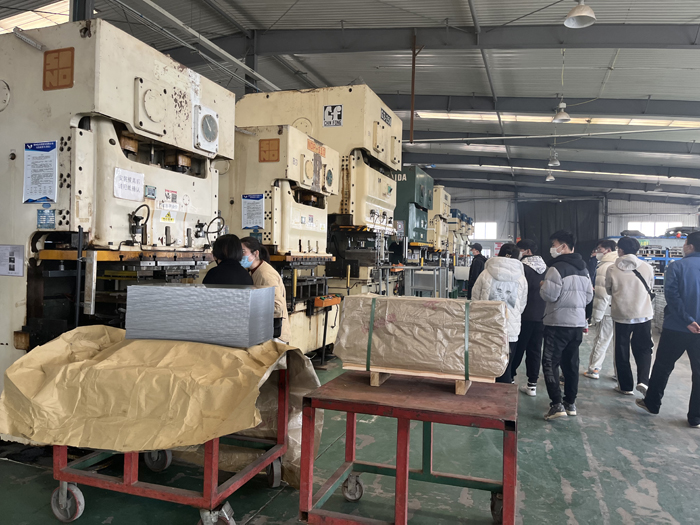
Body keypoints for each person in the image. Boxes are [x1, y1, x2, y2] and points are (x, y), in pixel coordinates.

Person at [637, 231, 700, 428]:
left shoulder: (677, 266)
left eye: (685, 243)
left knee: (663, 366)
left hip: (677, 327)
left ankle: (652, 403)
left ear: (690, 246)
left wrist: (687, 320)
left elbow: (672, 296)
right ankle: (696, 417)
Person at [540, 230, 594, 420]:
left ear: (563, 246)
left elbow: (549, 295)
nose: (552, 248)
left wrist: (542, 286)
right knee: (571, 364)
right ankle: (570, 403)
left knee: (550, 362)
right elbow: (589, 297)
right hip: (577, 323)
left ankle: (556, 404)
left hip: (557, 323)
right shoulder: (584, 269)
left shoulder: (556, 268)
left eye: (554, 244)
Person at [605, 236, 655, 396]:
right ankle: (643, 381)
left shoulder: (612, 269)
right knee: (644, 348)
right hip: (643, 314)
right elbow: (651, 286)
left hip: (621, 314)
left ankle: (625, 386)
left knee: (621, 350)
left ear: (620, 250)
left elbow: (609, 290)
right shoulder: (647, 267)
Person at [472, 243, 527, 384]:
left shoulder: (485, 274)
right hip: (510, 329)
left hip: (486, 327)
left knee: (484, 364)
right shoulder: (521, 278)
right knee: (505, 366)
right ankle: (503, 392)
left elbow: (475, 300)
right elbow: (522, 305)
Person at [512, 239, 547, 396]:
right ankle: (532, 384)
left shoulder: (521, 268)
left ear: (526, 251)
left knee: (518, 348)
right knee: (535, 349)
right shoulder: (546, 268)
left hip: (524, 314)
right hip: (541, 315)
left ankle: (510, 377)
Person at [241, 237, 291, 344]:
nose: (240, 256)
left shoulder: (266, 275)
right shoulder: (253, 272)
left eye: (243, 252)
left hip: (275, 335)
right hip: (265, 332)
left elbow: (277, 307)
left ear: (255, 253)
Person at [584, 240, 618, 379]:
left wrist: (596, 316)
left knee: (602, 339)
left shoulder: (605, 267)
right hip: (621, 311)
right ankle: (619, 374)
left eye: (599, 249)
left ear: (608, 250)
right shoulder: (619, 263)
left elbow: (602, 294)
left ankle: (594, 369)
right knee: (619, 344)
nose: (597, 252)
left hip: (607, 311)